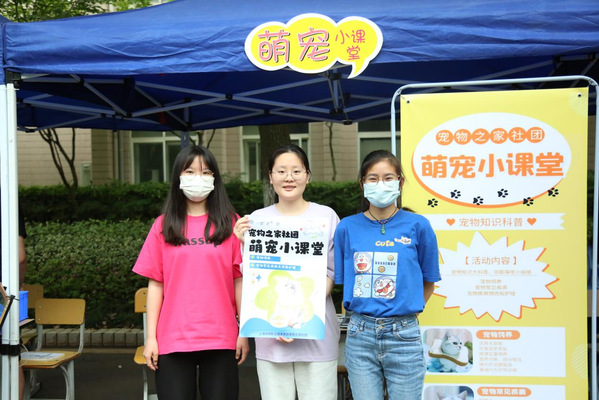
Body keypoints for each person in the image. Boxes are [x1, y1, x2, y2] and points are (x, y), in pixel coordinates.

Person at [132, 145, 248, 400]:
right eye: (190, 171)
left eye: (206, 172)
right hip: (173, 339)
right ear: (178, 177)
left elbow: (239, 280)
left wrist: (244, 331)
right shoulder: (163, 225)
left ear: (215, 179)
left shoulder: (231, 223)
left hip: (222, 337)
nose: (198, 178)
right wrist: (151, 338)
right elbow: (156, 285)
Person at [233, 144, 340, 400]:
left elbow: (332, 273)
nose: (288, 177)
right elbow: (253, 278)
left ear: (308, 175)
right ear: (270, 177)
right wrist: (244, 243)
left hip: (315, 333)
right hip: (271, 333)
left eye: (296, 171)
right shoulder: (257, 220)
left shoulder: (326, 217)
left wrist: (298, 316)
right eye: (281, 171)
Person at [334, 150, 441, 400]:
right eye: (373, 178)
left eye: (388, 178)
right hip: (360, 334)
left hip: (404, 335)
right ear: (362, 183)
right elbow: (344, 281)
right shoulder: (346, 227)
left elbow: (429, 281)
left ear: (400, 182)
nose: (380, 184)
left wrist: (403, 313)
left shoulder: (419, 225)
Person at [0, 195, 27, 400]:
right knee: (11, 357)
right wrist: (17, 286)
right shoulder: (8, 197)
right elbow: (20, 256)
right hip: (3, 293)